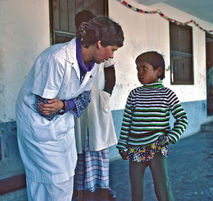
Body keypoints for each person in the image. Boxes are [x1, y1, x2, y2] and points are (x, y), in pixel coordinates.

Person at [16, 16, 124, 201]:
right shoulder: (56, 59)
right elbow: (45, 108)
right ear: (99, 43)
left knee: (65, 178)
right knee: (50, 183)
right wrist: (68, 105)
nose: (112, 56)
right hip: (38, 126)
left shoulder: (91, 65)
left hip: (62, 125)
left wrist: (64, 105)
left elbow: (84, 99)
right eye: (112, 50)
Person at [116, 51, 188, 201]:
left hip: (157, 148)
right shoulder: (134, 94)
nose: (139, 73)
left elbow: (182, 119)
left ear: (158, 71)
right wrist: (122, 144)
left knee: (162, 187)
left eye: (144, 68)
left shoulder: (168, 94)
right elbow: (127, 122)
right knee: (136, 189)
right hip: (135, 148)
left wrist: (170, 137)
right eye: (137, 69)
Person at [73, 10, 117, 200]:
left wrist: (105, 96)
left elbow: (111, 76)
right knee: (80, 145)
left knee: (98, 144)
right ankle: (82, 190)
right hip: (76, 106)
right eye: (81, 25)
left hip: (98, 103)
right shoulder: (73, 50)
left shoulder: (103, 48)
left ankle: (102, 188)